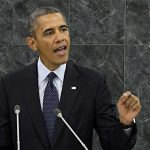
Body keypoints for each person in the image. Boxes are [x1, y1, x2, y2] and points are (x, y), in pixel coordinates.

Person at [0, 6, 141, 150]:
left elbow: (114, 146)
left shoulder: (92, 82)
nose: (60, 37)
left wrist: (125, 122)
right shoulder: (10, 85)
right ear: (32, 43)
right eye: (49, 33)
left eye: (63, 29)